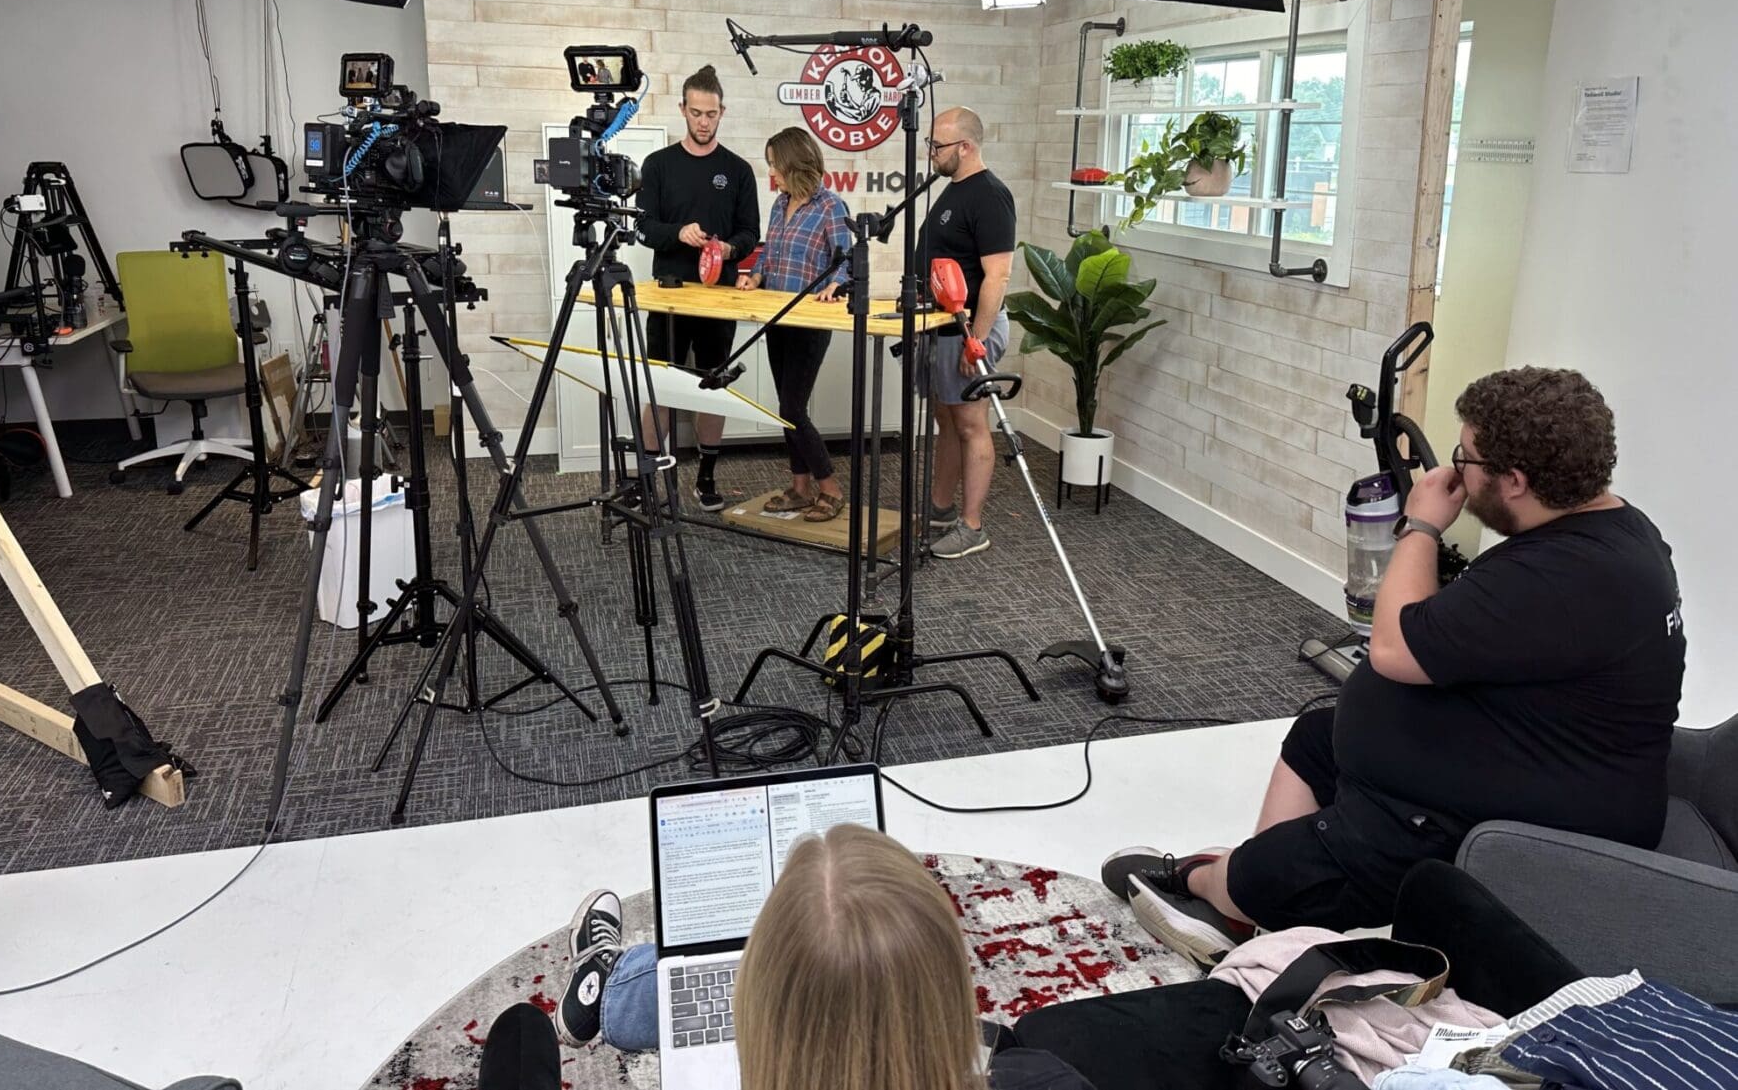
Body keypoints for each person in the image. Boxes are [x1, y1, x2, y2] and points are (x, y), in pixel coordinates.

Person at [1100, 368, 1688, 967]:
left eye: (1469, 458)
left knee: (1267, 870)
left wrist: (1421, 525)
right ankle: (1252, 908)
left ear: (1514, 480)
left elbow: (1392, 649)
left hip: (1532, 820)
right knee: (1317, 738)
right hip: (1536, 759)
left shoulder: (1555, 578)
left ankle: (1217, 884)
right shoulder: (1618, 530)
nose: (1457, 470)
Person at [466, 826, 1092, 1089]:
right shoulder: (1048, 1079)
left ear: (757, 1009)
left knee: (519, 1029)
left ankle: (608, 977)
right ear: (950, 989)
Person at [635, 64, 760, 511]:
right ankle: (647, 478)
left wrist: (728, 249)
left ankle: (706, 477)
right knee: (661, 386)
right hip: (668, 294)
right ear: (682, 110)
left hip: (718, 297)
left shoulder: (739, 170)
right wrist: (677, 233)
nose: (703, 121)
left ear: (722, 112)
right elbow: (643, 228)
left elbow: (750, 233)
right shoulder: (658, 165)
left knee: (713, 386)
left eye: (711, 114)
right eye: (695, 113)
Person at [914, 106, 1016, 559]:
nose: (931, 153)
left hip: (969, 328)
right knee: (947, 421)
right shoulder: (952, 190)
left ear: (966, 147)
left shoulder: (989, 195)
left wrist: (977, 336)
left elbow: (998, 276)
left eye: (938, 146)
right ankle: (939, 510)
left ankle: (972, 526)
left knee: (972, 424)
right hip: (942, 326)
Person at [737, 126, 851, 523]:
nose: (772, 173)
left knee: (791, 406)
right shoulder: (778, 204)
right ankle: (800, 489)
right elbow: (770, 254)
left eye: (775, 165)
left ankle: (831, 488)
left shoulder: (830, 207)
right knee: (787, 410)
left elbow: (845, 260)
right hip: (775, 317)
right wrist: (754, 276)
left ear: (793, 163)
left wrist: (837, 283)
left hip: (808, 321)